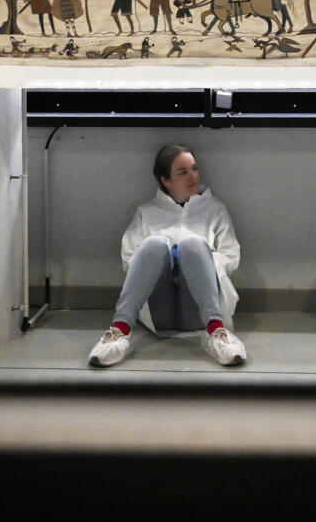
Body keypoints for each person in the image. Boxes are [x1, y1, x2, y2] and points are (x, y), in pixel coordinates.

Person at [88, 144, 246, 368]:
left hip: (200, 310)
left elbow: (231, 256)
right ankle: (119, 331)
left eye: (194, 168)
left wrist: (196, 262)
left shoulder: (215, 209)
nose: (193, 176)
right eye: (183, 172)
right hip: (159, 311)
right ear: (165, 180)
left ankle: (217, 332)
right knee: (153, 244)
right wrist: (167, 263)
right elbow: (129, 258)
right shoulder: (147, 212)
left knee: (192, 244)